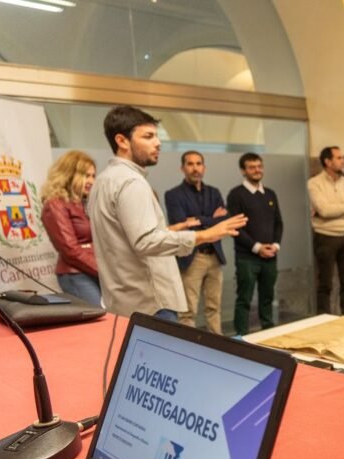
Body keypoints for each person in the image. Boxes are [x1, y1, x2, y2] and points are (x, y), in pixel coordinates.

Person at [89, 105, 246, 321]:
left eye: (156, 136)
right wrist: (205, 234)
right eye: (148, 136)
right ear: (122, 141)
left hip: (124, 301)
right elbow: (145, 241)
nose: (158, 143)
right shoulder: (132, 182)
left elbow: (126, 237)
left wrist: (169, 230)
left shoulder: (104, 180)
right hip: (150, 303)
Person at [164, 151, 229, 333]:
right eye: (190, 164)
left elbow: (223, 221)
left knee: (214, 308)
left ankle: (218, 348)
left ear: (204, 167)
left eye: (199, 164)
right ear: (182, 168)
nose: (195, 168)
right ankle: (188, 350)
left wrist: (198, 220)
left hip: (214, 256)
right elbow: (181, 225)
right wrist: (210, 219)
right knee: (187, 312)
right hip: (192, 257)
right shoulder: (173, 195)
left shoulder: (214, 192)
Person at [226, 153, 283, 336]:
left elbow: (278, 223)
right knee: (244, 299)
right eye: (252, 167)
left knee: (267, 297)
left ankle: (268, 333)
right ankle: (240, 337)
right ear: (243, 171)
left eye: (259, 166)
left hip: (270, 256)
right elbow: (236, 228)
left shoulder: (270, 193)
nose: (257, 170)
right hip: (247, 258)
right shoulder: (236, 195)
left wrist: (275, 245)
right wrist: (257, 247)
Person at [40, 150, 101, 306]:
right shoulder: (54, 204)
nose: (91, 181)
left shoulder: (84, 202)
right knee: (97, 322)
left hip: (95, 270)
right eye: (86, 175)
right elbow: (70, 250)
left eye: (93, 176)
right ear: (68, 174)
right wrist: (104, 272)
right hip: (76, 275)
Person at [308, 146, 344, 316]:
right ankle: (323, 318)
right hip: (325, 237)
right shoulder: (314, 183)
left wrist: (334, 212)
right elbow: (324, 210)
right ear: (327, 162)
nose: (343, 160)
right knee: (325, 283)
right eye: (339, 158)